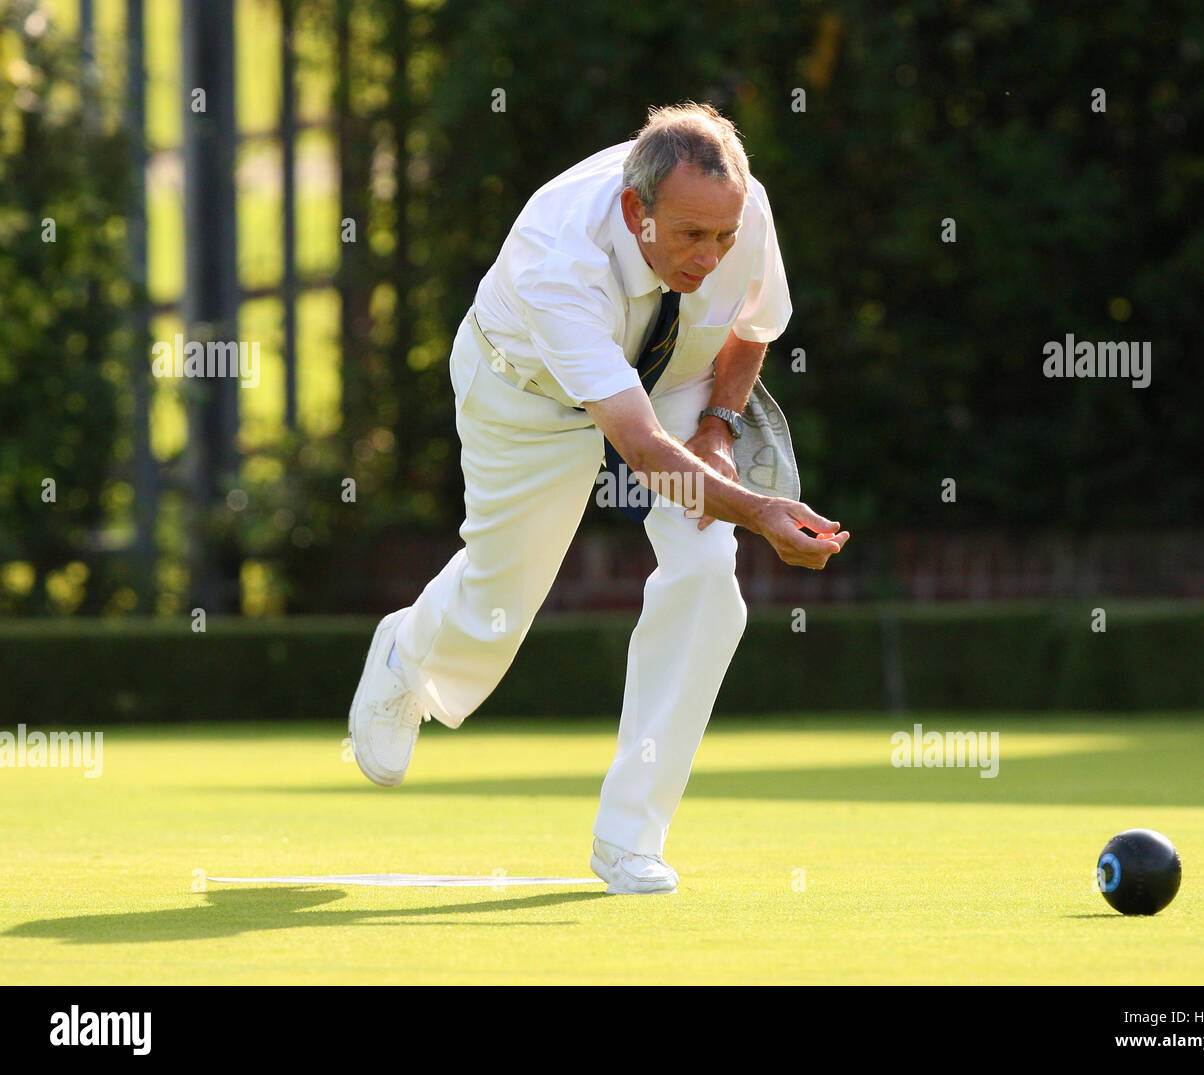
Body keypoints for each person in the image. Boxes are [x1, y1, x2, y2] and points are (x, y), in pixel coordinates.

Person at [348, 102, 849, 894]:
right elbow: (644, 449)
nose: (712, 255)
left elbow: (753, 324)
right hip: (527, 390)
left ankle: (630, 838)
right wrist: (758, 512)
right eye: (690, 237)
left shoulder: (738, 207)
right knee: (499, 598)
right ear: (633, 211)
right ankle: (407, 649)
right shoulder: (563, 258)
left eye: (723, 237)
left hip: (676, 376)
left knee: (708, 578)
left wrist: (719, 428)